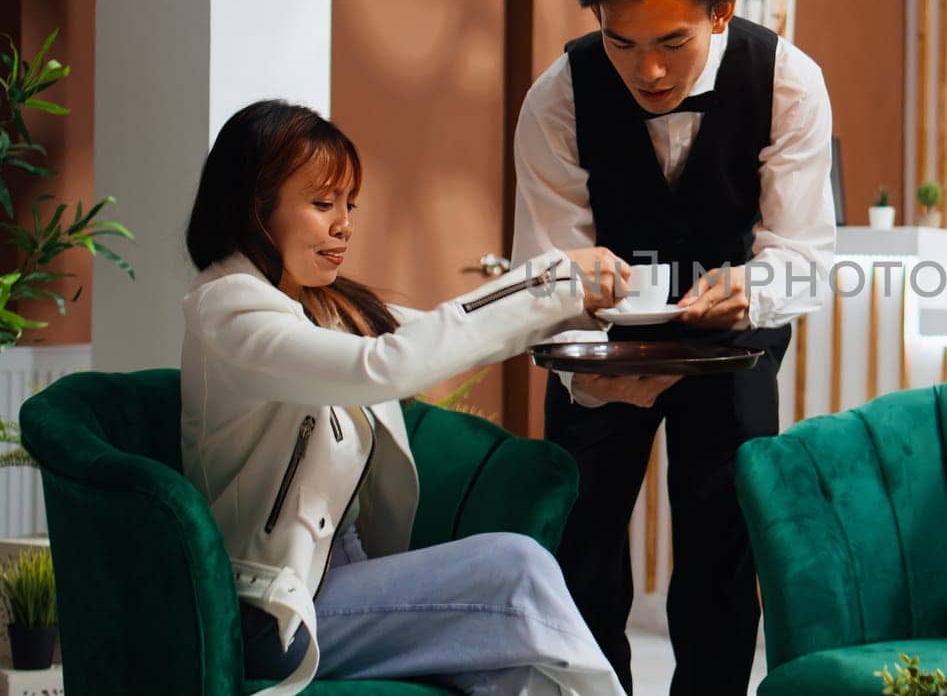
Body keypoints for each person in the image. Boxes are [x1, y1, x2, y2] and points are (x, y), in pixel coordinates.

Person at [181, 100, 628, 696]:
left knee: (518, 674)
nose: (344, 225)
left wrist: (595, 330)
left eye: (348, 205)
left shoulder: (324, 305)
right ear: (254, 209)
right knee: (513, 568)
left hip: (344, 581)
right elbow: (387, 366)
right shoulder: (230, 310)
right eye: (322, 205)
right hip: (273, 607)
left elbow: (447, 334)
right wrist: (550, 280)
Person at [511, 0, 836, 694]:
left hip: (732, 345)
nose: (648, 72)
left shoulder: (787, 80)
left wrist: (752, 287)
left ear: (718, 14)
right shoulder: (557, 97)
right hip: (600, 354)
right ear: (599, 23)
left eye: (672, 44)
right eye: (624, 45)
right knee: (581, 553)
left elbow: (805, 256)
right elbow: (552, 260)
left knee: (723, 559)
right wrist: (584, 295)